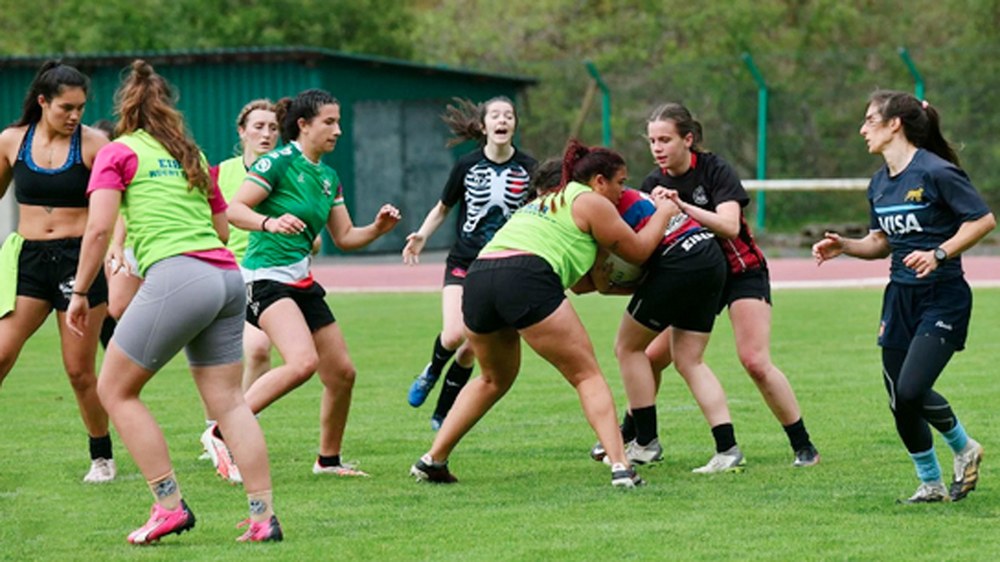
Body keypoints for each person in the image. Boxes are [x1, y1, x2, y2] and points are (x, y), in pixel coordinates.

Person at [66, 59, 281, 543]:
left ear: (126, 108)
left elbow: (99, 228)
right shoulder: (192, 155)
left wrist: (80, 292)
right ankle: (263, 517)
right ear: (170, 109)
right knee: (230, 403)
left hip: (181, 273)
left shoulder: (118, 152)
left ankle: (168, 504)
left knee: (115, 390)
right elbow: (223, 229)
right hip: (227, 277)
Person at [409, 140, 676, 487]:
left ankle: (433, 459)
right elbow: (639, 251)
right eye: (620, 183)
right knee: (587, 375)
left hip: (479, 278)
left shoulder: (541, 204)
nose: (622, 192)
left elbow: (582, 285)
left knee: (492, 379)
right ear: (598, 181)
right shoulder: (590, 201)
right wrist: (664, 214)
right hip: (526, 276)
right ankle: (621, 466)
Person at [812, 91, 993, 503]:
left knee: (912, 389)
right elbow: (881, 243)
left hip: (943, 296)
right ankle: (929, 484)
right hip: (899, 299)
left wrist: (939, 253)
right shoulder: (879, 183)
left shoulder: (937, 172)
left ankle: (964, 447)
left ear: (895, 124)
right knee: (899, 397)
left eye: (869, 120)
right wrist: (845, 246)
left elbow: (983, 220)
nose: (862, 130)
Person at [225, 88, 401, 480]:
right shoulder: (279, 162)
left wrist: (377, 228)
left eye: (338, 122)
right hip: (264, 278)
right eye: (329, 122)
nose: (337, 130)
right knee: (302, 363)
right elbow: (234, 209)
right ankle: (222, 431)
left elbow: (345, 237)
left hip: (301, 281)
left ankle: (328, 461)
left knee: (341, 373)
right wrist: (269, 222)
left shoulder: (328, 176)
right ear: (303, 125)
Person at [637, 102, 820, 470]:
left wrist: (682, 207)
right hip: (697, 278)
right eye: (652, 140)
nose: (657, 148)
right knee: (651, 356)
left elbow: (730, 226)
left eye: (665, 139)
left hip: (741, 273)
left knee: (754, 361)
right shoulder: (652, 185)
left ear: (688, 139)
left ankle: (804, 446)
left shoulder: (715, 170)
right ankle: (641, 438)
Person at [0, 61, 116, 483]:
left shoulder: (95, 145)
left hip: (77, 263)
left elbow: (114, 207)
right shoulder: (11, 141)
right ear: (43, 101)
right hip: (29, 261)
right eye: (67, 107)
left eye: (81, 107)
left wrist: (116, 250)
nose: (75, 116)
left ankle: (102, 456)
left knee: (78, 371)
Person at [402, 97, 537, 430]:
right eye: (495, 115)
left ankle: (442, 413)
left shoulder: (529, 168)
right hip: (464, 262)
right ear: (483, 125)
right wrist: (421, 235)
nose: (502, 120)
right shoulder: (466, 165)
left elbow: (539, 214)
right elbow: (443, 207)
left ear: (514, 125)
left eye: (509, 115)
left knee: (472, 347)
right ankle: (431, 371)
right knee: (453, 334)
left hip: (504, 266)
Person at [587, 187, 738, 472]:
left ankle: (645, 444)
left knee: (628, 348)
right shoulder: (635, 198)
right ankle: (727, 449)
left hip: (679, 260)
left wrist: (603, 280)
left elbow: (591, 282)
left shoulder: (599, 208)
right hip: (709, 254)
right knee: (690, 361)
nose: (622, 186)